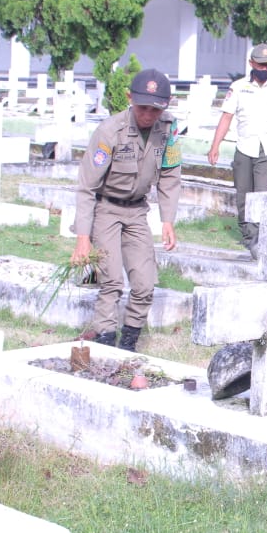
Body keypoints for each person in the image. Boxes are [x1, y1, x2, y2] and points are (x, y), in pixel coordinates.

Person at [71, 69, 182, 352]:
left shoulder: (168, 129)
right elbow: (86, 187)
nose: (148, 114)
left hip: (137, 212)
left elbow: (170, 175)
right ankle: (106, 342)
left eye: (156, 109)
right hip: (107, 210)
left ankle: (128, 344)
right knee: (111, 282)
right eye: (143, 107)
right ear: (129, 98)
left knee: (144, 285)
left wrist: (167, 219)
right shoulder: (109, 132)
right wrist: (83, 237)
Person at [208, 43, 267, 259]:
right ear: (251, 64)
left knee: (262, 195)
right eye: (261, 65)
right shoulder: (238, 87)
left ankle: (260, 239)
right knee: (244, 196)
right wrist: (215, 145)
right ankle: (249, 237)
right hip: (245, 147)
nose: (265, 69)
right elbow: (227, 117)